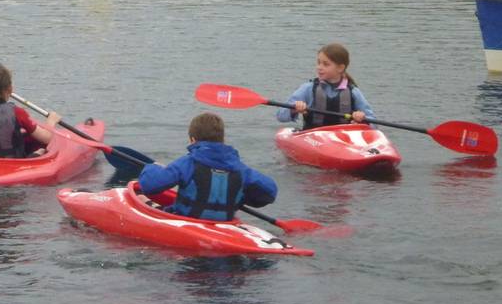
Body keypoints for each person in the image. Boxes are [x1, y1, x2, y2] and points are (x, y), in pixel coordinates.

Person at [138, 112, 277, 221]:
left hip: (186, 221)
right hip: (224, 224)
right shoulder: (241, 169)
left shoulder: (188, 163)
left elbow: (149, 185)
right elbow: (270, 193)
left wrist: (153, 167)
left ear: (192, 140)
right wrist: (240, 196)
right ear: (222, 139)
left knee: (140, 197)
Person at [277, 43, 376, 129]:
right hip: (314, 136)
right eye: (319, 63)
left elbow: (373, 124)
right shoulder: (308, 88)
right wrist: (294, 109)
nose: (319, 67)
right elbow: (281, 116)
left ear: (340, 68)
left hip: (343, 138)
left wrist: (362, 119)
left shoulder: (353, 92)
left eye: (326, 64)